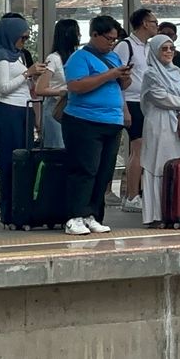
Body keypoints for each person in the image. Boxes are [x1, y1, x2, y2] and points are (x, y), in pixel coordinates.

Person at [60, 16, 129, 235]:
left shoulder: (114, 58)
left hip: (112, 121)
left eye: (115, 40)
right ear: (95, 35)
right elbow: (76, 86)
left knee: (104, 171)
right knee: (85, 169)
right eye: (108, 39)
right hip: (84, 120)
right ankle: (74, 216)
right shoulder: (79, 57)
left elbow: (122, 86)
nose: (111, 43)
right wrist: (109, 75)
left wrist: (123, 76)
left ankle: (93, 214)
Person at [140, 34, 180, 226]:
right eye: (164, 48)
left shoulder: (178, 73)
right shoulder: (150, 74)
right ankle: (157, 215)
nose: (169, 52)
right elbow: (160, 98)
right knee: (159, 166)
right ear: (154, 51)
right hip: (160, 125)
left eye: (171, 48)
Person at [0, 17, 44, 215]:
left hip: (24, 109)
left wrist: (32, 77)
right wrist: (26, 74)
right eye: (21, 38)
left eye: (26, 38)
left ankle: (23, 204)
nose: (23, 42)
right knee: (10, 158)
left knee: (25, 157)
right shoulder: (1, 55)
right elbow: (4, 87)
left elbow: (25, 86)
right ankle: (9, 207)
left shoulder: (20, 56)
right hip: (8, 110)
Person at [115, 7, 157, 213]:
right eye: (154, 22)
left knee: (143, 148)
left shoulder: (148, 48)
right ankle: (132, 195)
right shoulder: (126, 46)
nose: (156, 26)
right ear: (144, 23)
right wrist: (124, 108)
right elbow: (117, 78)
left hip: (146, 102)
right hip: (131, 101)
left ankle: (137, 192)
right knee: (138, 147)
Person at [37, 19, 79, 150]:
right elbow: (40, 89)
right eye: (77, 32)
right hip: (55, 107)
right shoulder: (53, 58)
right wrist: (61, 91)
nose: (80, 36)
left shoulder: (77, 56)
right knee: (57, 149)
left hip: (72, 108)